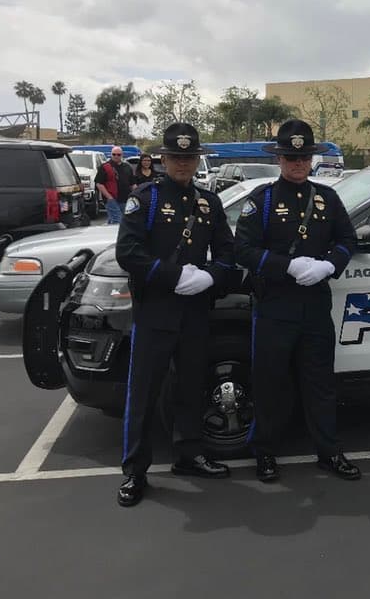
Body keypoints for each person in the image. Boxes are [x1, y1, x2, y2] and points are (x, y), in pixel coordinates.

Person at [114, 123, 235, 507]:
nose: (183, 164)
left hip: (196, 310)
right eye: (176, 157)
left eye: (189, 157)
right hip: (156, 311)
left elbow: (228, 255)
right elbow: (128, 252)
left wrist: (209, 276)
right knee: (144, 392)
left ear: (197, 160)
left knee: (190, 386)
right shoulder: (144, 200)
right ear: (163, 160)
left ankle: (189, 454)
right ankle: (135, 471)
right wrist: (173, 275)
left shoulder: (209, 203)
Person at [234, 119, 360, 483]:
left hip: (315, 305)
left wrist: (327, 266)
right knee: (270, 382)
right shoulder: (262, 200)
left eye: (303, 156)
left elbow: (347, 240)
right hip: (275, 306)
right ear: (280, 159)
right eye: (291, 156)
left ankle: (328, 451)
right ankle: (265, 452)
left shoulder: (328, 198)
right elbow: (243, 249)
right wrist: (287, 265)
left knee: (320, 383)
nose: (298, 163)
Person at [95, 146, 134, 224]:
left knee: (120, 220)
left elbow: (132, 183)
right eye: (114, 154)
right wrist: (109, 197)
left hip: (125, 199)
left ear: (122, 155)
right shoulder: (105, 167)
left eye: (118, 154)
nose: (116, 156)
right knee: (117, 220)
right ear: (111, 155)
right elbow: (99, 183)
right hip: (112, 199)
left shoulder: (127, 167)